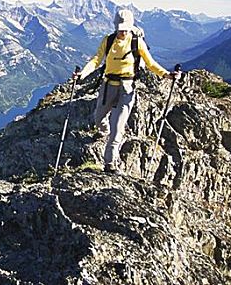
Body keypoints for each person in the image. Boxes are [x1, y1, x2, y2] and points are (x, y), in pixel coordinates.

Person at [74, 9, 180, 173]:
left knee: (118, 129)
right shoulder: (108, 41)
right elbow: (96, 60)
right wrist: (82, 74)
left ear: (130, 26)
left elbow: (150, 63)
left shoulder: (137, 42)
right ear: (115, 26)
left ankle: (110, 163)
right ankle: (103, 131)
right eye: (120, 28)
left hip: (127, 88)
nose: (122, 31)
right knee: (98, 118)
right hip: (108, 85)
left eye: (125, 28)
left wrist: (166, 75)